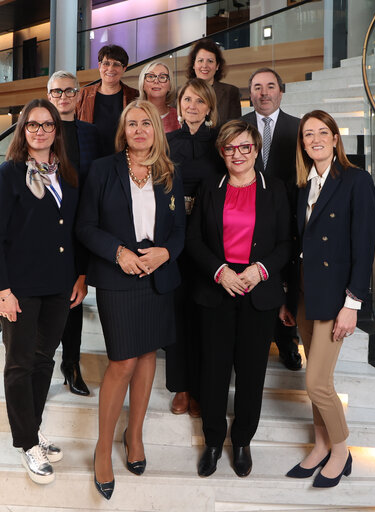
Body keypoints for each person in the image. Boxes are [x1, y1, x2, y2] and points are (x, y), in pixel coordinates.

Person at [76, 100, 185, 500]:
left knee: (146, 356)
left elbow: (180, 232)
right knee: (122, 360)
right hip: (117, 276)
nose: (140, 129)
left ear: (157, 128)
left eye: (146, 123)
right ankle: (103, 447)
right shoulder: (103, 170)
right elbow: (85, 226)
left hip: (158, 277)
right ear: (124, 130)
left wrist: (166, 253)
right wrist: (118, 252)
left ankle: (134, 435)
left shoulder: (170, 173)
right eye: (132, 123)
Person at [0, 98, 84, 485]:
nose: (40, 131)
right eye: (32, 125)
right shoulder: (8, 174)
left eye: (47, 125)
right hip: (20, 288)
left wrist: (79, 276)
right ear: (23, 131)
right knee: (20, 364)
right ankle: (26, 443)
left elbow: (71, 232)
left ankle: (32, 428)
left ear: (56, 132)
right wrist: (2, 290)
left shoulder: (67, 175)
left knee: (44, 361)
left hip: (58, 285)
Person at [186, 120, 290, 478]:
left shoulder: (275, 189)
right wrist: (220, 271)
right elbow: (194, 240)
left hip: (258, 293)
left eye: (245, 147)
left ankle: (242, 440)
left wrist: (260, 270)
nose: (238, 154)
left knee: (251, 372)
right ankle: (213, 442)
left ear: (256, 149)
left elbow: (286, 244)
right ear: (221, 152)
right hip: (218, 290)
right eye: (230, 148)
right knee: (213, 372)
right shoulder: (209, 188)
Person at [279, 110, 375, 488]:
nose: (315, 139)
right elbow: (296, 246)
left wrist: (352, 304)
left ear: (336, 138)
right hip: (304, 292)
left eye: (323, 132)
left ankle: (341, 449)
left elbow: (363, 247)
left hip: (335, 296)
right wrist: (289, 297)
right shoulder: (303, 185)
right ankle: (320, 446)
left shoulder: (356, 181)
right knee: (317, 378)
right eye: (308, 134)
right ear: (302, 143)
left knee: (317, 382)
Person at [164, 78, 225, 418]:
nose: (193, 106)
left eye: (200, 101)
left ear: (209, 107)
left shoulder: (219, 142)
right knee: (177, 309)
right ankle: (181, 387)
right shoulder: (168, 140)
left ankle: (201, 387)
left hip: (208, 233)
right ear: (179, 105)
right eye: (188, 100)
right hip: (173, 231)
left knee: (203, 310)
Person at [242, 67, 303, 372]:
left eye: (269, 87)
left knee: (286, 274)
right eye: (256, 87)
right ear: (250, 92)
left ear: (281, 90)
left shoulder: (300, 127)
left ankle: (287, 339)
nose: (263, 93)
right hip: (245, 214)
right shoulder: (238, 126)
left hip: (286, 214)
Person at [46, 70, 103, 396]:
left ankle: (71, 364)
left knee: (75, 299)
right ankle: (46, 362)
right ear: (49, 95)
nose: (64, 97)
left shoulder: (92, 133)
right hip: (49, 227)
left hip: (81, 226)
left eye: (69, 91)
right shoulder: (42, 131)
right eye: (57, 92)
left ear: (78, 95)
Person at [76, 44, 139, 155]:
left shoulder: (134, 96)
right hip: (89, 160)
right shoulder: (82, 94)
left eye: (116, 64)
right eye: (106, 63)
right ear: (99, 66)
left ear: (124, 68)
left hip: (123, 159)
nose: (110, 69)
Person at [186, 38, 241, 126]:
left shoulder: (231, 92)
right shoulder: (181, 93)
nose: (204, 65)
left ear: (217, 66)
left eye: (210, 61)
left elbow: (234, 129)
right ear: (193, 65)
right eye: (200, 60)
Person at [138, 60, 179, 132]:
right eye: (150, 76)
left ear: (170, 86)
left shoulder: (178, 116)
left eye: (162, 77)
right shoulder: (133, 114)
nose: (156, 81)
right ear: (143, 84)